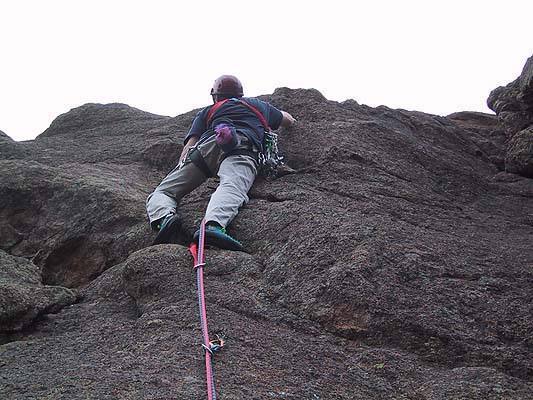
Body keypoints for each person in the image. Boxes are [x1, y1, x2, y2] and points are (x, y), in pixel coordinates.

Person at [146, 75, 296, 251]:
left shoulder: (207, 111)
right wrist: (293, 121)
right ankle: (213, 226)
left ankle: (164, 218)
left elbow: (189, 145)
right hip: (242, 147)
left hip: (206, 149)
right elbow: (287, 120)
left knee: (165, 191)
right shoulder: (258, 105)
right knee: (232, 185)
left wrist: (183, 166)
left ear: (215, 95)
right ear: (240, 94)